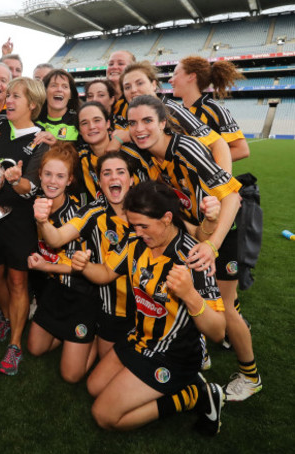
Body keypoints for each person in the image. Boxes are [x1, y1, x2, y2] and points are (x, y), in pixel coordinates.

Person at [72, 181, 227, 436]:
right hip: (139, 338)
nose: (138, 231)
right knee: (94, 386)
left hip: (174, 353)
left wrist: (190, 295)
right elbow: (106, 273)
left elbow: (219, 332)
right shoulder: (135, 241)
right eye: (134, 225)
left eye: (144, 225)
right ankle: (185, 387)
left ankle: (195, 395)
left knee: (104, 415)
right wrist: (84, 266)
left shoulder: (194, 256)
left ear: (167, 218)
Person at [169, 56, 260, 401]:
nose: (171, 79)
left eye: (175, 73)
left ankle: (250, 374)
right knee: (197, 284)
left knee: (226, 301)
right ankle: (203, 343)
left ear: (191, 76)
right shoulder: (177, 110)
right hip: (196, 214)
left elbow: (241, 147)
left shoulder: (212, 110)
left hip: (221, 209)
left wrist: (203, 164)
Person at [124, 95, 242, 275]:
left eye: (147, 120)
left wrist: (212, 245)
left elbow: (233, 197)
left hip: (221, 233)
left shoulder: (186, 148)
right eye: (132, 123)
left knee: (224, 301)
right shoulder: (148, 156)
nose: (139, 129)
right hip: (197, 234)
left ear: (162, 123)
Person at [0, 77, 48, 375]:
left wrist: (16, 181)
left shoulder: (41, 139)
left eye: (16, 96)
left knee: (18, 282)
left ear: (32, 104)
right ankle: (10, 318)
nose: (8, 100)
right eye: (8, 95)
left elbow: (31, 188)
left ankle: (16, 343)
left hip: (20, 220)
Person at [27, 143, 98, 383]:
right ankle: (70, 336)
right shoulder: (36, 204)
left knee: (71, 375)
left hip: (81, 294)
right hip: (55, 289)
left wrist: (45, 266)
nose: (52, 181)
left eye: (60, 176)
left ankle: (94, 337)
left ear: (69, 180)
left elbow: (79, 268)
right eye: (48, 174)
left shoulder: (77, 216)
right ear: (40, 174)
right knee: (35, 348)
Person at [115, 61, 233, 174]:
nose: (133, 90)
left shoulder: (171, 110)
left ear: (153, 84)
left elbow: (217, 143)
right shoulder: (132, 114)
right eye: (127, 87)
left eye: (140, 83)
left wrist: (225, 184)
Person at [36, 69, 80, 142]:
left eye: (65, 86)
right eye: (54, 85)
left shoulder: (79, 121)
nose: (59, 89)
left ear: (71, 95)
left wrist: (55, 144)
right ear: (45, 91)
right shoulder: (34, 120)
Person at [106, 50, 136, 130]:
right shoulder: (100, 99)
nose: (114, 67)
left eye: (121, 63)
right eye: (110, 64)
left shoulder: (138, 100)